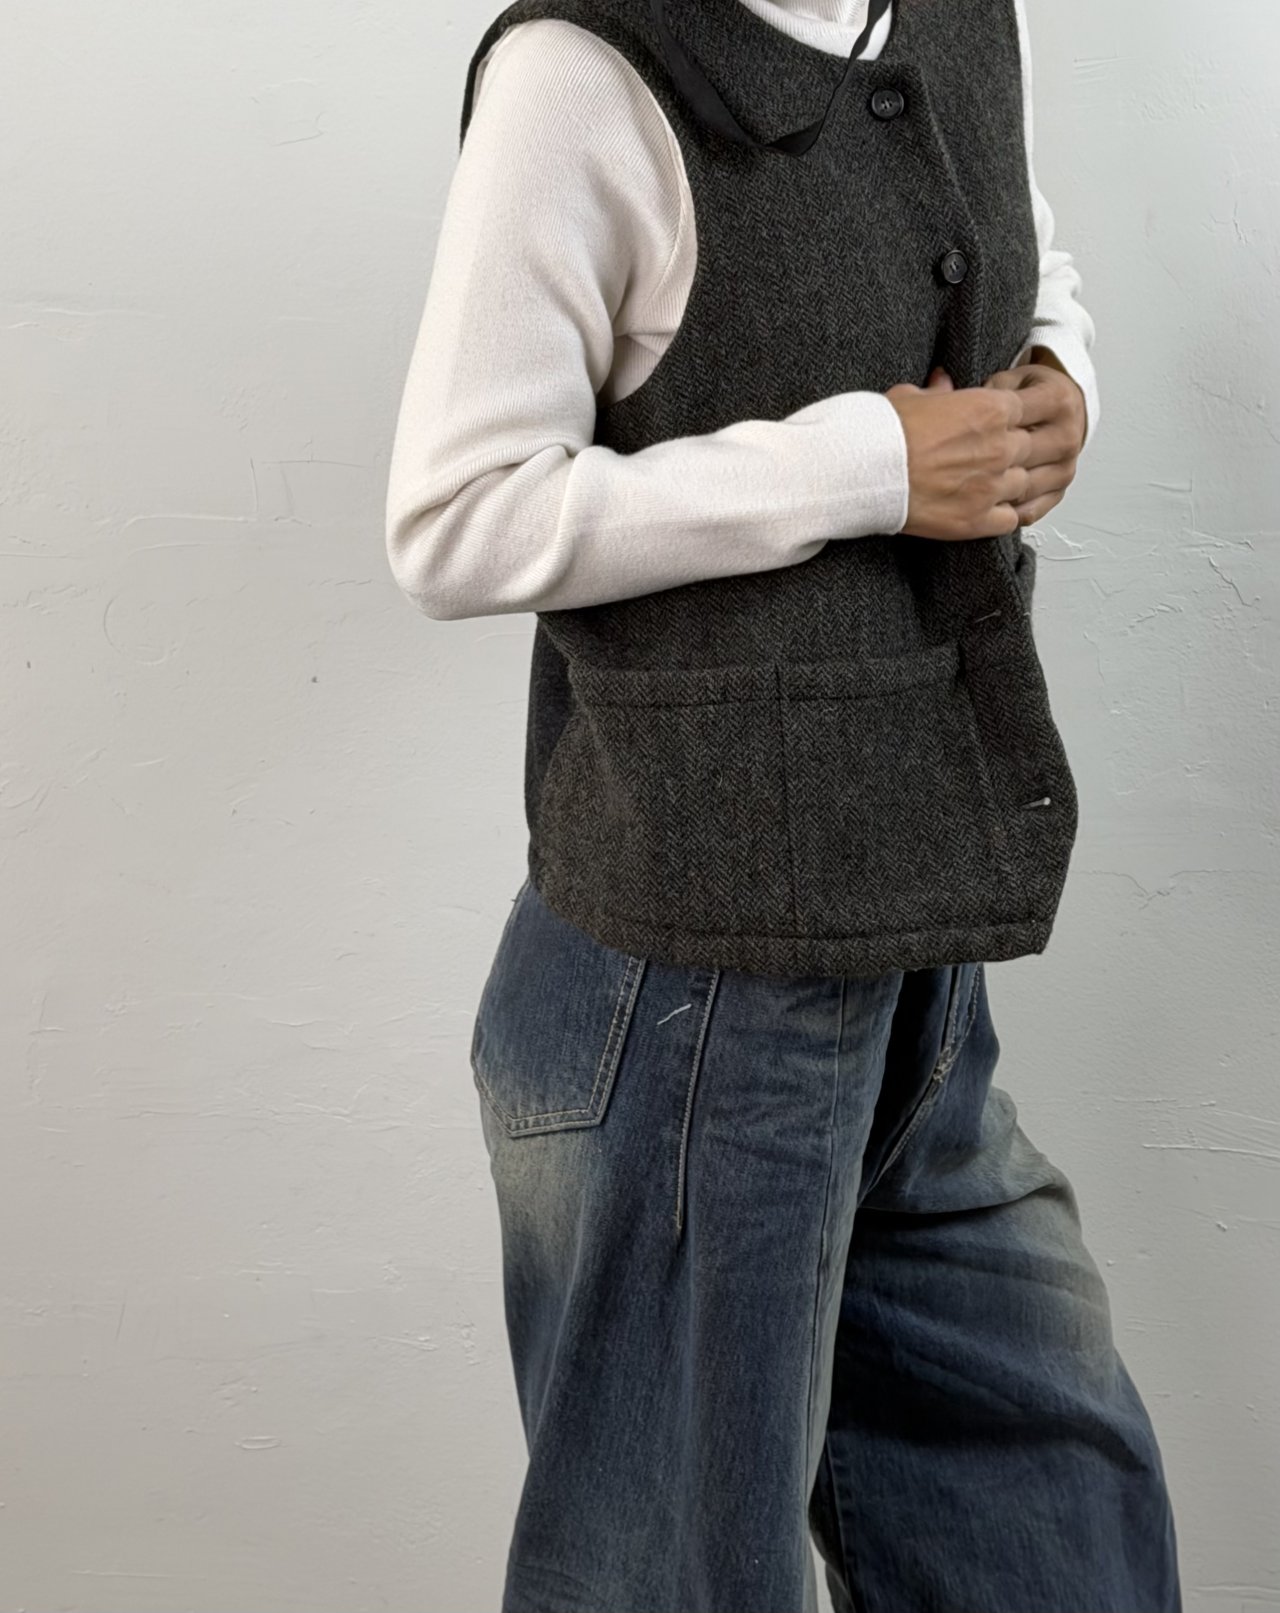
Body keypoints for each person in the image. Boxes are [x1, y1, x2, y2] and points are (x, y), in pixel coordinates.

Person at [385, 0, 1182, 1607]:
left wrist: (1059, 381)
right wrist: (866, 466)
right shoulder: (581, 75)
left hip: (915, 963)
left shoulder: (964, 15)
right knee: (680, 1574)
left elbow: (1025, 251)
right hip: (684, 995)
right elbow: (454, 517)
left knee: (1052, 1499)